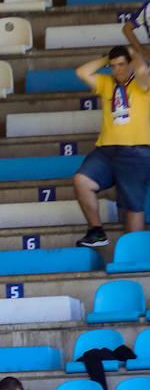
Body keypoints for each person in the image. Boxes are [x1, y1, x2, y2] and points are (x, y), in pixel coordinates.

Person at [70, 44, 150, 247]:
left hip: (136, 150)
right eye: (113, 66)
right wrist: (108, 58)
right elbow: (81, 72)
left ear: (131, 64)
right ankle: (96, 231)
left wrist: (132, 53)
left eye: (122, 65)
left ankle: (133, 253)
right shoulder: (107, 82)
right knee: (81, 181)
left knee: (132, 207)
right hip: (106, 150)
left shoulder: (142, 84)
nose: (118, 70)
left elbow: (143, 72)